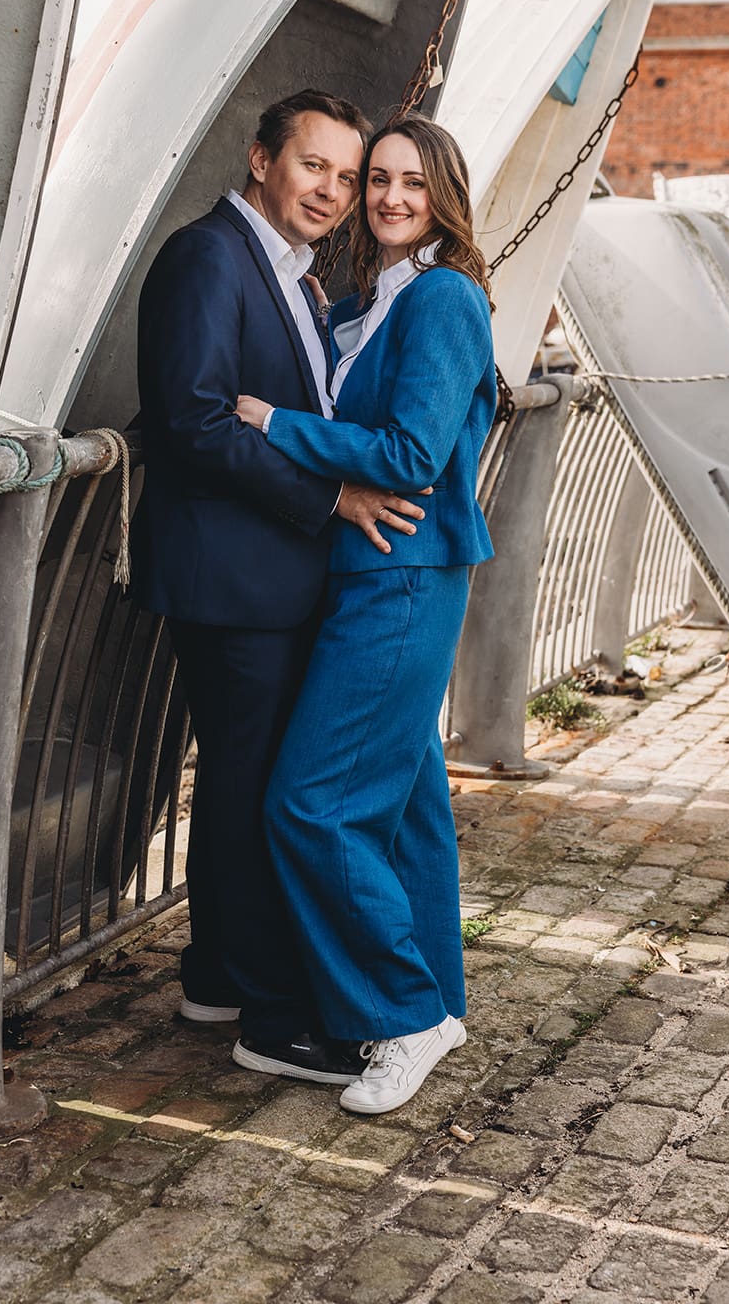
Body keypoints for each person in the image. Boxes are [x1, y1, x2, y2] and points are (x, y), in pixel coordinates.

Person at [134, 89, 432, 1082]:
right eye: (318, 167)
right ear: (262, 159)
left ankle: (218, 977)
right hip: (232, 575)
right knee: (256, 790)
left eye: (351, 178)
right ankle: (272, 1020)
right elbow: (195, 420)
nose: (336, 193)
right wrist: (330, 500)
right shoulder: (207, 257)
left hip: (257, 575)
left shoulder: (294, 276)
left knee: (237, 784)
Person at [234, 113, 497, 1112]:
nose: (387, 197)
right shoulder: (368, 300)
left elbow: (410, 458)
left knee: (315, 804)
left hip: (403, 576)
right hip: (373, 574)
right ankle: (436, 1002)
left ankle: (401, 1015)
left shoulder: (443, 298)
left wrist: (273, 422)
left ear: (444, 198)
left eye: (411, 184)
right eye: (376, 179)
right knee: (408, 807)